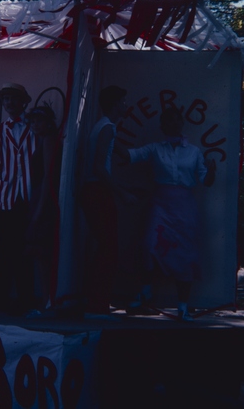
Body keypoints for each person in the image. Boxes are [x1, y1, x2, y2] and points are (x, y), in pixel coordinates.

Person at [121, 106, 216, 321]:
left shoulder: (193, 151)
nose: (174, 125)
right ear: (163, 126)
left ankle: (183, 305)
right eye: (169, 122)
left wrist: (211, 170)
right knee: (149, 244)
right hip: (161, 202)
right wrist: (107, 142)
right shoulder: (155, 148)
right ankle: (146, 290)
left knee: (186, 253)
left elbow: (206, 180)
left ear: (182, 124)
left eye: (177, 121)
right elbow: (131, 156)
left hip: (184, 205)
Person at [0, 82, 37, 315]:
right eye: (6, 99)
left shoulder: (35, 126)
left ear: (23, 102)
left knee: (25, 251)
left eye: (14, 98)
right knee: (0, 251)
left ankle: (26, 301)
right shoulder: (0, 131)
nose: (10, 103)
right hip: (6, 198)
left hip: (29, 198)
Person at [80, 85, 132, 315]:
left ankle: (96, 301)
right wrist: (122, 193)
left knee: (104, 247)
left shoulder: (105, 127)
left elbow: (122, 153)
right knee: (108, 249)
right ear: (114, 104)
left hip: (94, 190)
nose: (125, 105)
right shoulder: (107, 128)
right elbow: (99, 167)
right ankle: (98, 304)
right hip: (97, 190)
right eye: (122, 101)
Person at [24, 103, 62, 310]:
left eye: (39, 120)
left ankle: (47, 301)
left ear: (48, 123)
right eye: (33, 121)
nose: (35, 124)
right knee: (39, 254)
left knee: (42, 253)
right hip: (39, 197)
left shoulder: (48, 140)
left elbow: (49, 175)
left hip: (45, 200)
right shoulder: (41, 141)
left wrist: (39, 209)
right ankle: (45, 300)